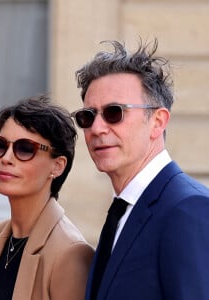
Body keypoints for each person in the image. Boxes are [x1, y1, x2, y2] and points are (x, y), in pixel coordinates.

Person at [71, 39, 209, 300]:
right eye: (87, 117)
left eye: (114, 113)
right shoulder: (122, 210)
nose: (97, 128)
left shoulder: (188, 209)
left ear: (158, 122)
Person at [0, 95, 94, 300]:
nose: (6, 159)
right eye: (0, 145)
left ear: (58, 166)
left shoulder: (71, 253)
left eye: (25, 149)